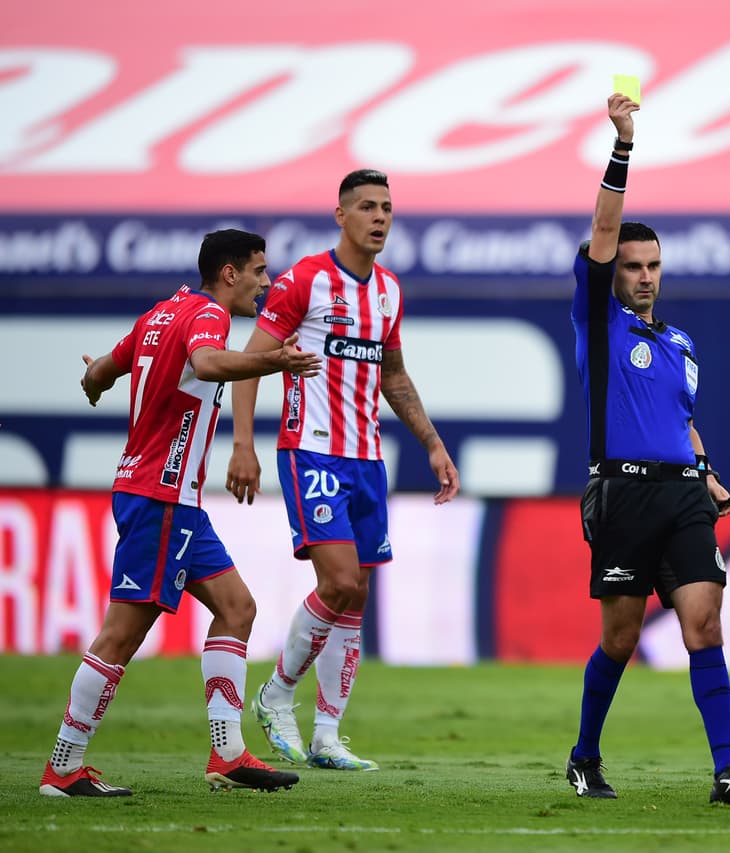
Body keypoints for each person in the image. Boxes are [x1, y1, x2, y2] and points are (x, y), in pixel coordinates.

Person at [40, 229, 321, 797]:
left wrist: (93, 381)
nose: (266, 283)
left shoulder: (161, 313)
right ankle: (63, 766)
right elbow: (210, 364)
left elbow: (104, 369)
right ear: (229, 273)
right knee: (120, 637)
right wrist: (276, 361)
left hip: (174, 502)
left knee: (237, 608)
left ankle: (229, 754)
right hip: (162, 497)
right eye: (260, 271)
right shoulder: (210, 318)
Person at [563, 93, 730, 805]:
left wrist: (707, 473)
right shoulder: (600, 324)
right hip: (623, 494)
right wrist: (623, 146)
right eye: (632, 265)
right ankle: (585, 755)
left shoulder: (680, 346)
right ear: (612, 273)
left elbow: (684, 422)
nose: (644, 275)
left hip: (683, 494)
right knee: (619, 638)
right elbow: (603, 224)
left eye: (652, 265)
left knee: (703, 621)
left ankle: (727, 769)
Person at [226, 170, 460, 773]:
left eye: (386, 207)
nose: (379, 217)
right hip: (311, 450)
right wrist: (243, 445)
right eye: (366, 207)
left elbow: (394, 375)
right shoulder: (306, 279)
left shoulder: (388, 291)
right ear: (340, 216)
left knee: (356, 594)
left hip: (367, 458)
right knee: (337, 582)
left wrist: (433, 444)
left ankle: (328, 734)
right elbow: (249, 362)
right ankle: (276, 693)